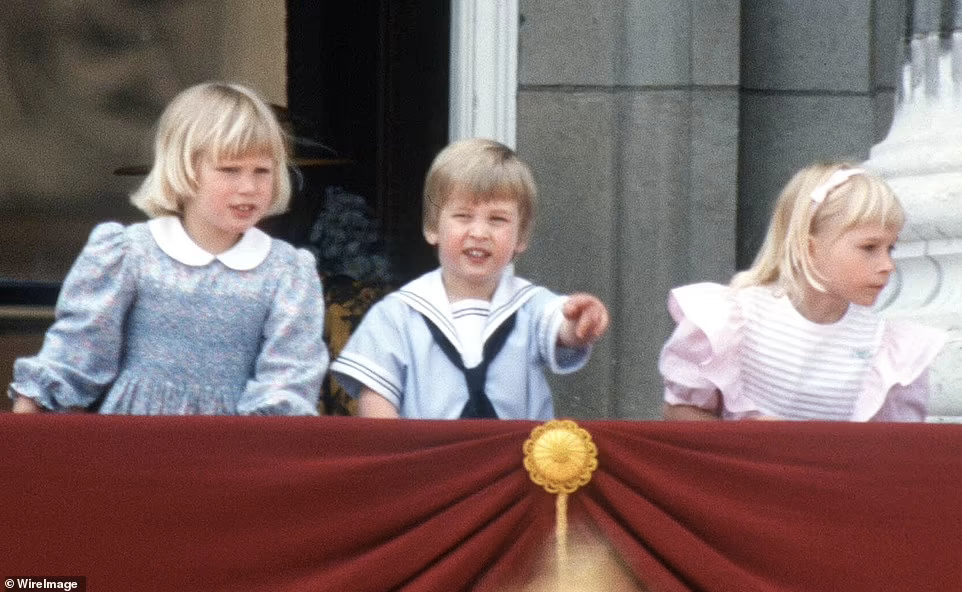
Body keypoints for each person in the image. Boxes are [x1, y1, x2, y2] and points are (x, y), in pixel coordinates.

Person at [7, 81, 328, 415]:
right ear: (184, 169)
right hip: (133, 445)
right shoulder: (130, 254)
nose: (248, 187)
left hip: (234, 451)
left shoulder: (286, 271)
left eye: (262, 171)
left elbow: (289, 375)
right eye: (230, 170)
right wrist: (30, 410)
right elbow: (77, 353)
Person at [330, 138, 609, 419]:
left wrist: (578, 324)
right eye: (463, 216)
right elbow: (376, 398)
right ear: (432, 228)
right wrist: (396, 457)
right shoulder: (399, 315)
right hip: (432, 459)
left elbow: (560, 326)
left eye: (497, 220)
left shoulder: (530, 306)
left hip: (517, 459)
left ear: (520, 236)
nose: (479, 232)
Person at [659, 162, 945, 421]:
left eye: (890, 248)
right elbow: (683, 410)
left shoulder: (885, 349)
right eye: (869, 248)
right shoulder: (732, 319)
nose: (887, 265)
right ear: (809, 248)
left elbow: (892, 450)